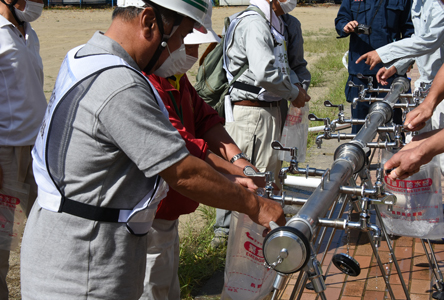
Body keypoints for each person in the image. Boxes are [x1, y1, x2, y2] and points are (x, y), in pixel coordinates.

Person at [19, 0, 285, 299]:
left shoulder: (85, 58)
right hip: (85, 266)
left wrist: (235, 172)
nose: (185, 48)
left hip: (74, 244)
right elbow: (182, 172)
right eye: (182, 37)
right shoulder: (119, 83)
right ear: (149, 21)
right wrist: (256, 206)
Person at [139, 4, 260, 299]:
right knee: (150, 284)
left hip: (169, 208)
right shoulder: (148, 84)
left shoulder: (177, 80)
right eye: (187, 45)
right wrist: (237, 173)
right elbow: (185, 143)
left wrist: (239, 160)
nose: (191, 57)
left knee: (167, 283)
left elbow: (205, 119)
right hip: (147, 215)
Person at [213, 0, 311, 245]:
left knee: (265, 176)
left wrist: (300, 86)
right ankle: (230, 238)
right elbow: (264, 72)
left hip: (272, 110)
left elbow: (292, 64)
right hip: (252, 114)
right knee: (247, 177)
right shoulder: (255, 22)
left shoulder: (283, 24)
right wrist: (293, 92)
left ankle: (251, 239)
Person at [357, 0, 444, 243]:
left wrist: (384, 53)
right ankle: (422, 217)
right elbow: (423, 44)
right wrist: (397, 65)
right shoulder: (420, 3)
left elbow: (430, 40)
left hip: (443, 91)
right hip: (433, 87)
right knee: (423, 150)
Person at [0, 0, 46, 298]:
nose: (39, 3)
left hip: (37, 150)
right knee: (2, 241)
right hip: (5, 154)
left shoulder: (28, 31)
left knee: (46, 230)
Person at [335, 0, 414, 134]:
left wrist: (405, 62)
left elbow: (409, 31)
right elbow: (341, 19)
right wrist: (346, 26)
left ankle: (393, 152)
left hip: (390, 71)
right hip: (360, 71)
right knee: (359, 125)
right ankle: (361, 153)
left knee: (392, 121)